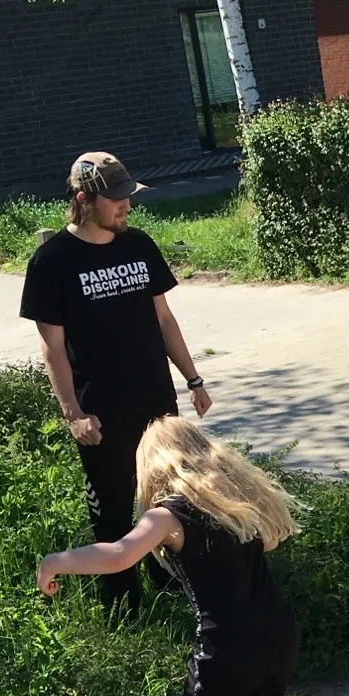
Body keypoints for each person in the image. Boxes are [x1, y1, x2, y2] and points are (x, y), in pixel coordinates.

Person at [36, 417, 314, 696]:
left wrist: (57, 561)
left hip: (227, 646)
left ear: (154, 466)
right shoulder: (236, 504)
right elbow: (272, 540)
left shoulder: (169, 515)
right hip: (278, 635)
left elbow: (119, 555)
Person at [21, 151, 213, 615]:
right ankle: (122, 610)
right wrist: (73, 413)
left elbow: (164, 319)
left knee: (170, 500)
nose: (127, 205)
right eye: (117, 199)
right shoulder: (53, 262)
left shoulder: (139, 245)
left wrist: (194, 378)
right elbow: (52, 347)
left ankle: (172, 590)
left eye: (129, 195)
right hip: (101, 412)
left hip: (157, 405)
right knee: (112, 512)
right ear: (85, 200)